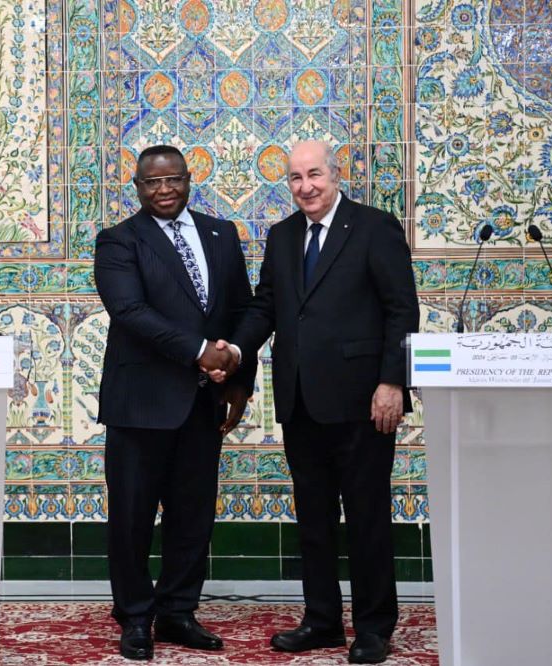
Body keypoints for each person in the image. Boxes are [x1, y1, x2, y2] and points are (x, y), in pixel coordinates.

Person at [218, 140, 419, 664]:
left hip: (364, 402)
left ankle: (373, 627)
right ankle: (322, 620)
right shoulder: (284, 236)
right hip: (301, 400)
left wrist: (392, 383)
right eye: (295, 178)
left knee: (367, 518)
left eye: (314, 175)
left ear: (336, 174)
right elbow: (266, 306)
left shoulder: (374, 227)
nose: (305, 187)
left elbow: (402, 310)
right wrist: (235, 350)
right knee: (313, 519)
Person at [94, 145, 254, 661]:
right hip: (140, 404)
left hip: (204, 402)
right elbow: (130, 311)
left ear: (189, 179)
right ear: (137, 187)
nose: (164, 190)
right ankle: (135, 616)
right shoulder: (119, 240)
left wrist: (239, 377)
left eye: (173, 179)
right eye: (152, 182)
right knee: (132, 518)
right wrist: (199, 351)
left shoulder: (221, 234)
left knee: (192, 516)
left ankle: (178, 612)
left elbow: (242, 308)